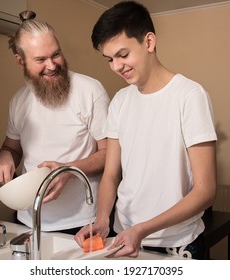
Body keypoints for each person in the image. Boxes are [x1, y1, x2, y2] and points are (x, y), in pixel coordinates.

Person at [75, 1, 217, 259]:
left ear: (149, 42)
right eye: (109, 59)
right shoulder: (120, 100)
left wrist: (142, 229)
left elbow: (206, 190)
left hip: (177, 245)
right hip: (123, 240)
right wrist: (103, 219)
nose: (116, 66)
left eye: (123, 55)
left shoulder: (189, 96)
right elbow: (111, 174)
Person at [0, 11, 110, 235]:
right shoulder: (18, 101)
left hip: (83, 222)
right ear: (20, 61)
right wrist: (4, 155)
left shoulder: (90, 90)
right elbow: (11, 147)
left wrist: (68, 170)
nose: (52, 65)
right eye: (40, 60)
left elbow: (110, 154)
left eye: (56, 55)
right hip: (29, 219)